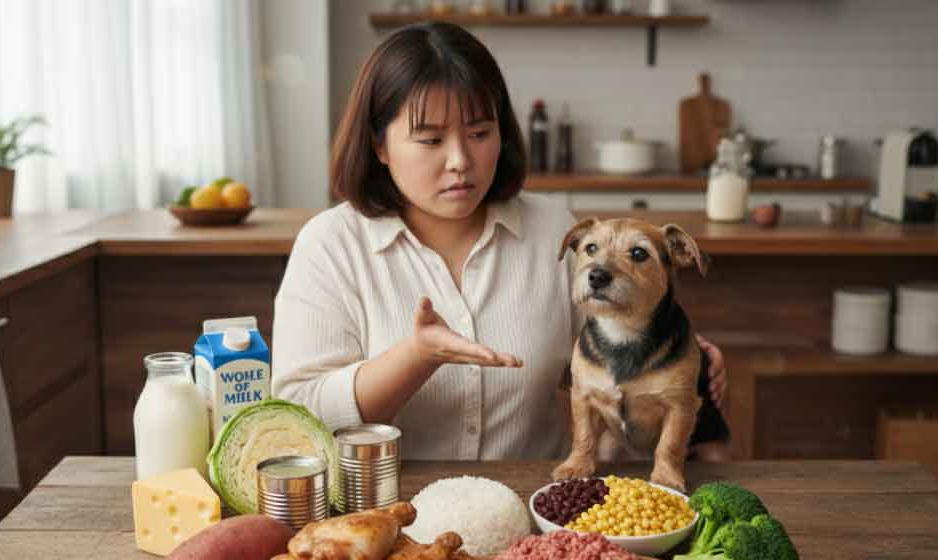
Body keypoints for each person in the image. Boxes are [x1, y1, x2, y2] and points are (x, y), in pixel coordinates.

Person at [273, 21, 726, 461]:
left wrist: (668, 355)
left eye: (479, 134)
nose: (460, 161)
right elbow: (295, 416)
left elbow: (597, 353)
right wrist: (415, 358)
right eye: (430, 140)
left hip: (535, 505)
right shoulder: (331, 245)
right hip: (381, 509)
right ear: (379, 146)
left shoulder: (551, 229)